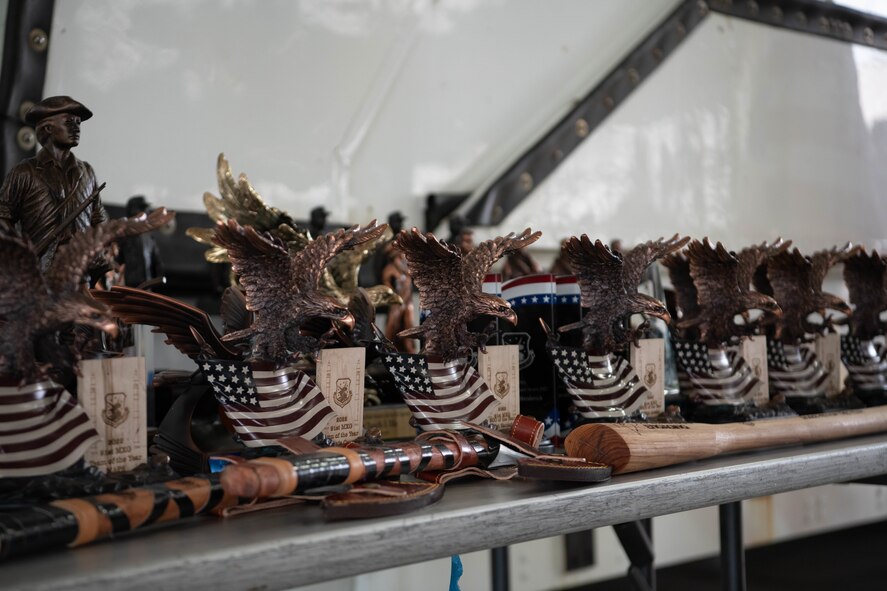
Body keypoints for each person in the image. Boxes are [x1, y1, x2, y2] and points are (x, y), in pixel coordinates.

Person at [0, 96, 108, 271]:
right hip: (40, 271)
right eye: (69, 122)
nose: (76, 128)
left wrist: (97, 252)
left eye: (78, 122)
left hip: (80, 272)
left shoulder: (88, 172)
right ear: (48, 128)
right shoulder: (24, 172)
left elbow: (98, 219)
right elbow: (3, 219)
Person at [116, 195, 164, 288]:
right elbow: (117, 260)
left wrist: (159, 277)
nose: (146, 212)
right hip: (130, 286)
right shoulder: (124, 235)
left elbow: (157, 261)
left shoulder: (149, 237)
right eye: (142, 209)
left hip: (147, 284)